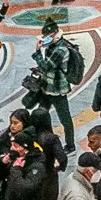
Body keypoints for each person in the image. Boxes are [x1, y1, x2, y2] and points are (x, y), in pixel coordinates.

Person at [28, 20, 82, 148]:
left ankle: (70, 145)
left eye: (48, 36)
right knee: (40, 115)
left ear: (55, 33)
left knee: (65, 119)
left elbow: (47, 66)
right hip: (47, 87)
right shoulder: (53, 45)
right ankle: (44, 141)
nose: (45, 39)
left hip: (58, 89)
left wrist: (37, 53)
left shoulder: (61, 49)